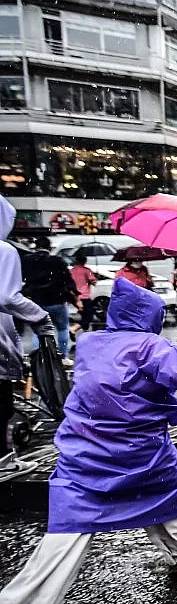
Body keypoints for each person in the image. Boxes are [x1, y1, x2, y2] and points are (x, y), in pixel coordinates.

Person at [0, 278, 177, 604]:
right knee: (165, 498)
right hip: (139, 450)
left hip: (84, 452)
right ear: (150, 316)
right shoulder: (150, 345)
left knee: (70, 525)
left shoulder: (90, 342)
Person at [1, 197, 53, 467]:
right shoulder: (4, 251)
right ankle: (3, 460)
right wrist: (39, 317)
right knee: (1, 405)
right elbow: (7, 297)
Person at [20, 236, 79, 358]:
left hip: (36, 300)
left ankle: (38, 357)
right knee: (62, 328)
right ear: (50, 248)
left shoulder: (27, 261)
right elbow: (68, 280)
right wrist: (75, 296)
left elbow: (22, 278)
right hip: (57, 300)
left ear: (36, 247)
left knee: (37, 330)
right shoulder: (57, 261)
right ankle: (63, 356)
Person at [69, 250, 97, 333]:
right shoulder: (87, 270)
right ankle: (75, 328)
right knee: (89, 315)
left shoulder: (71, 271)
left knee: (84, 314)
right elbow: (93, 282)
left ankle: (85, 331)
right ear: (85, 261)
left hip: (73, 296)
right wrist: (96, 277)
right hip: (84, 296)